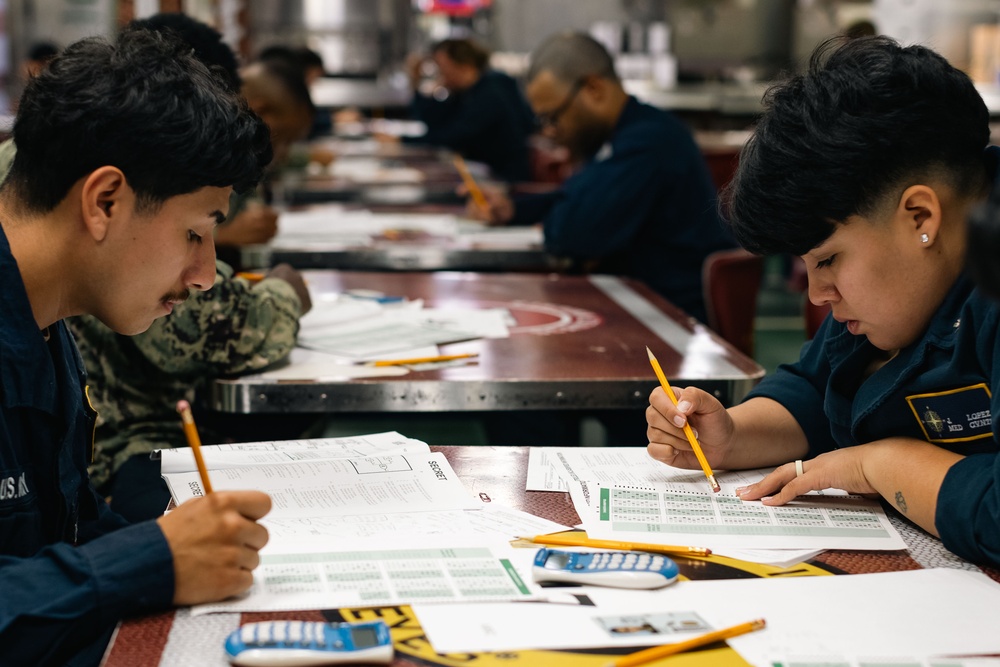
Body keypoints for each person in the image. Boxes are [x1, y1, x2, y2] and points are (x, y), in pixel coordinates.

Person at [646, 36, 1000, 567]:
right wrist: (732, 435)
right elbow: (818, 385)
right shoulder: (906, 282)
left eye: (829, 260)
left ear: (920, 218)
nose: (816, 293)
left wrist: (880, 465)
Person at [0, 28, 274, 664]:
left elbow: (64, 525)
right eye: (194, 234)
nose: (206, 274)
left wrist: (193, 552)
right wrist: (150, 559)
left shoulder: (46, 319)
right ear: (105, 201)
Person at [468, 32, 733, 323]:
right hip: (631, 306)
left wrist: (560, 217)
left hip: (665, 322)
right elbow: (573, 197)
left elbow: (573, 234)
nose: (550, 131)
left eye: (553, 117)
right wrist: (513, 209)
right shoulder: (616, 137)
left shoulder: (649, 143)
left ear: (594, 88)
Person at [395, 38, 535, 183]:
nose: (440, 74)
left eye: (443, 67)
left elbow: (452, 138)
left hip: (504, 182)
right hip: (482, 175)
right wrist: (416, 81)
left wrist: (400, 141)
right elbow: (433, 121)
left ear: (464, 65)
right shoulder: (467, 91)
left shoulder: (492, 91)